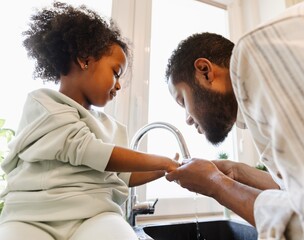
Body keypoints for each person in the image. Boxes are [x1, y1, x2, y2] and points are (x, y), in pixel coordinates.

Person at [164, 0, 304, 239]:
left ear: (205, 71)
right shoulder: (259, 89)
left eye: (182, 101)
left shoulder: (255, 55)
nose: (186, 119)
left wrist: (216, 184)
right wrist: (238, 172)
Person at [0, 2, 179, 240]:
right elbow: (85, 148)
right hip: (31, 216)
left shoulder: (110, 127)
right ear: (84, 59)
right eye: (116, 72)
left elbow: (122, 175)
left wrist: (163, 170)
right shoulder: (44, 103)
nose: (118, 85)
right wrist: (164, 161)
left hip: (94, 216)